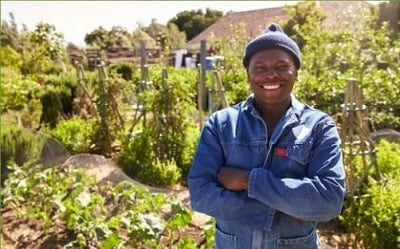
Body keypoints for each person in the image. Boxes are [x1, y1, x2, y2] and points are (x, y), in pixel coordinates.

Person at [188, 23, 346, 249]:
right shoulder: (221, 124)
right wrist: (289, 206)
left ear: (296, 72)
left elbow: (329, 201)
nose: (271, 74)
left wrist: (247, 180)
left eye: (282, 66)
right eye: (260, 67)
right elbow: (201, 193)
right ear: (248, 74)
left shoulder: (319, 127)